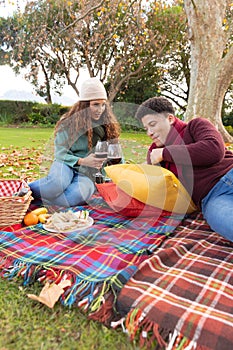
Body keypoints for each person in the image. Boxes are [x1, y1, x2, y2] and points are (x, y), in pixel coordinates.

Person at [135, 96, 233, 242]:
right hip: (212, 198)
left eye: (153, 124)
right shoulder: (154, 153)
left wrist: (165, 153)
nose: (149, 132)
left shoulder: (195, 126)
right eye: (146, 128)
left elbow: (214, 150)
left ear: (170, 118)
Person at [29, 77, 121, 207]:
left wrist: (119, 171)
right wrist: (82, 161)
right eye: (95, 104)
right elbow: (60, 153)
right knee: (56, 185)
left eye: (103, 104)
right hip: (66, 164)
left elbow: (116, 155)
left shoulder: (107, 125)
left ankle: (38, 200)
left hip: (89, 174)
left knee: (72, 198)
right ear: (84, 104)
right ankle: (22, 191)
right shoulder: (68, 123)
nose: (100, 109)